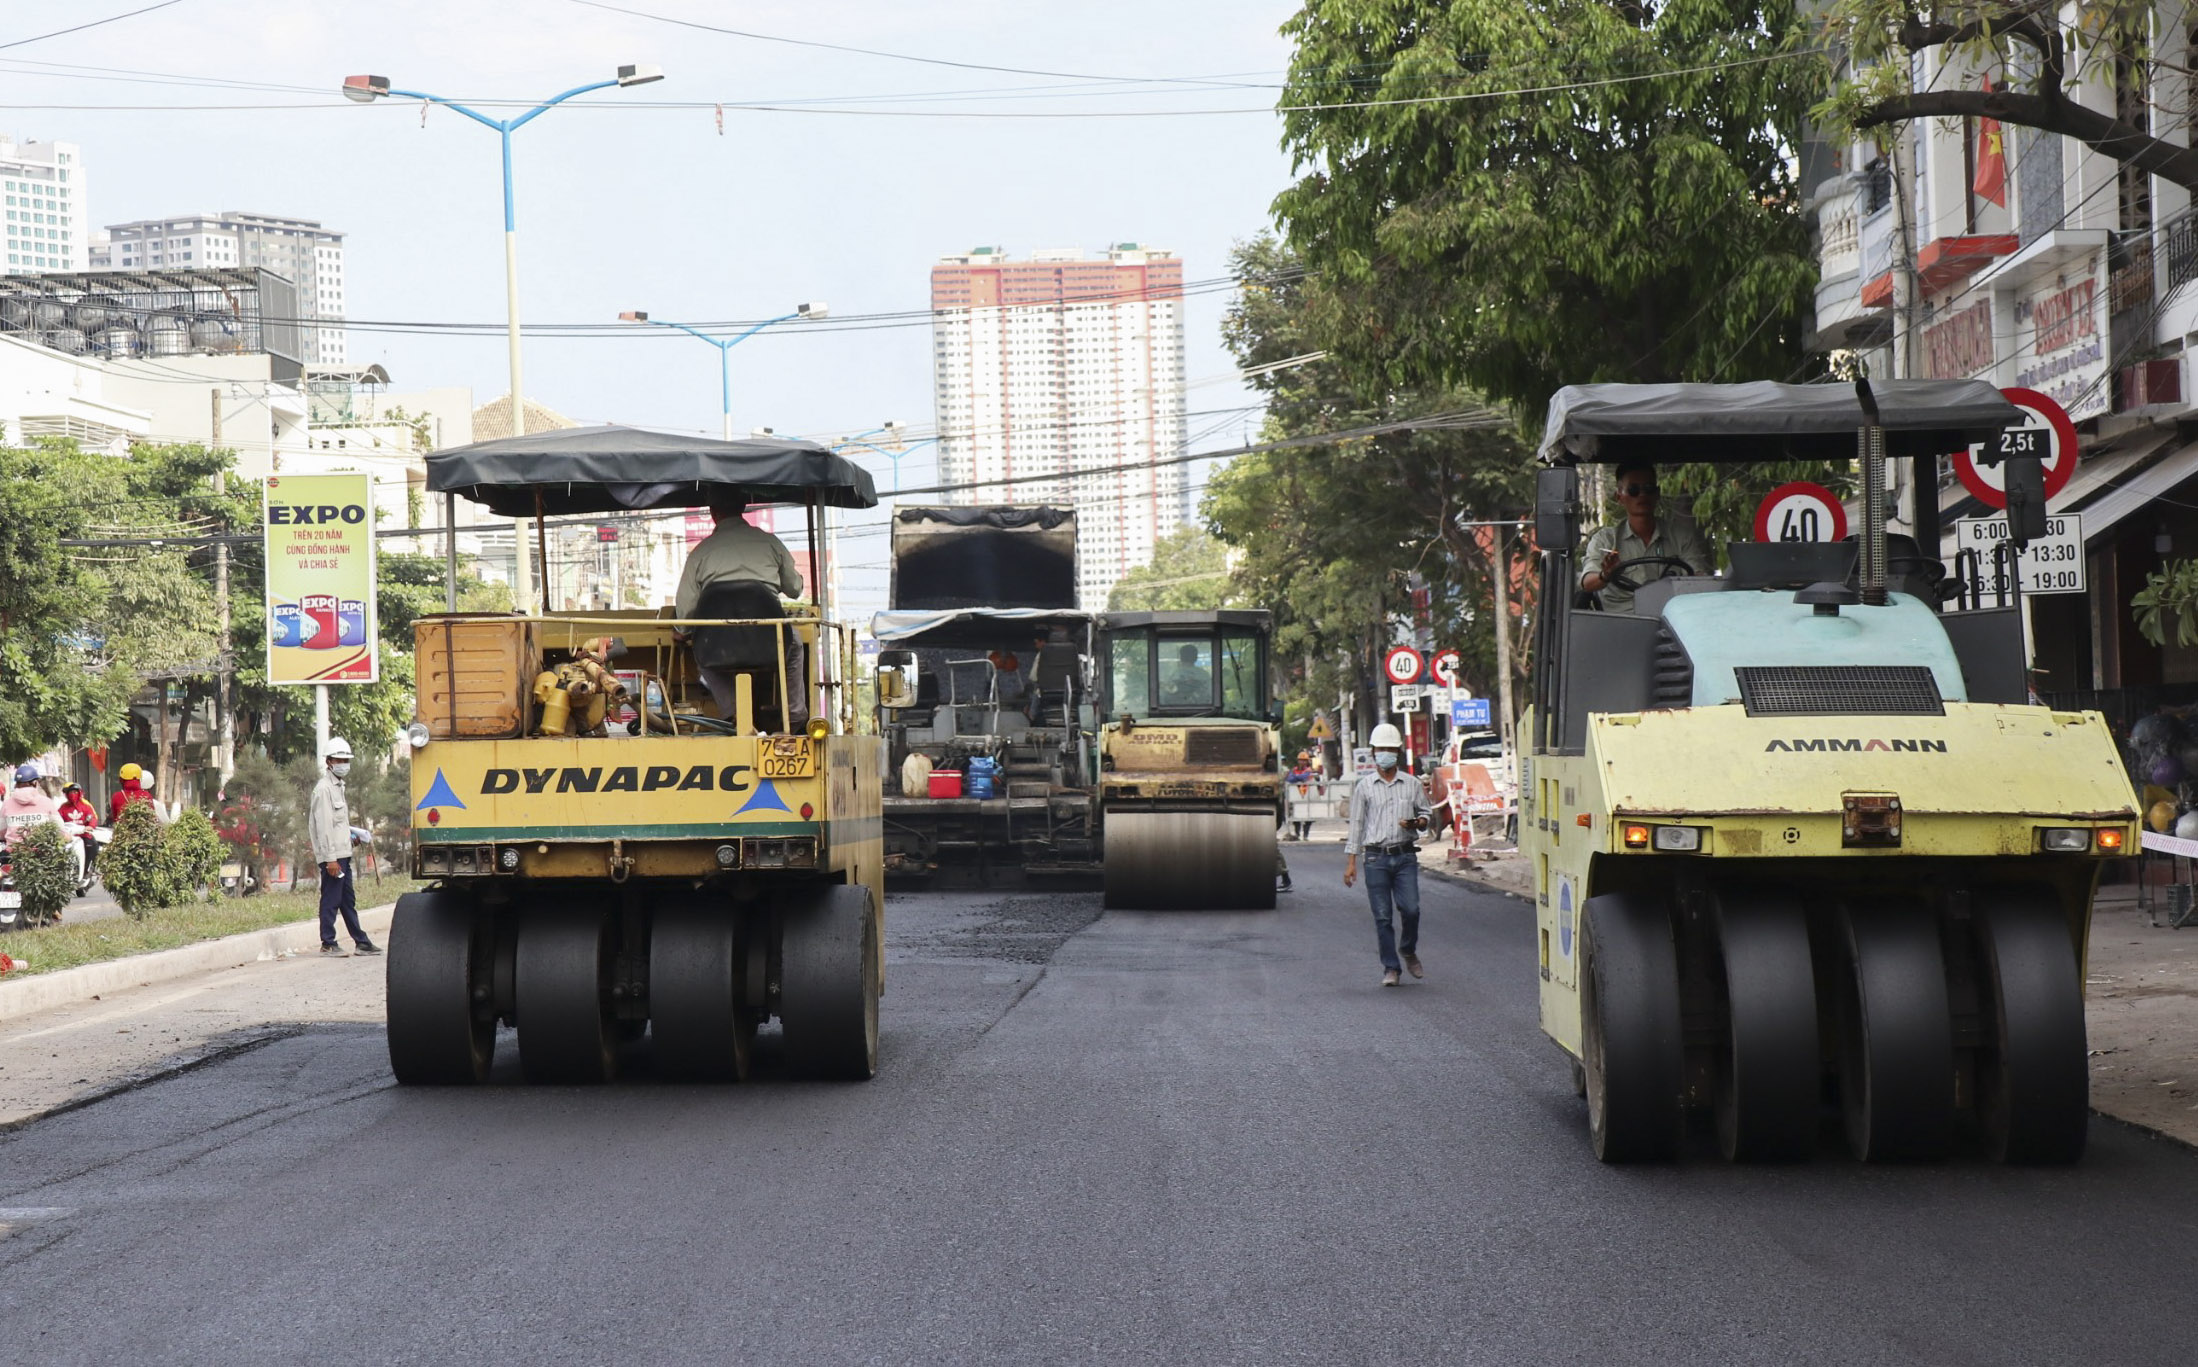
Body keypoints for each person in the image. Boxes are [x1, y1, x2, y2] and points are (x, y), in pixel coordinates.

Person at [674, 491, 807, 726]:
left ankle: (734, 713)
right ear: (743, 507)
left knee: (700, 653)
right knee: (793, 644)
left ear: (713, 514)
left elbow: (686, 610)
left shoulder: (701, 552)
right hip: (769, 641)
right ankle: (794, 715)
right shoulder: (769, 542)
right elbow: (795, 589)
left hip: (717, 644)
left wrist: (683, 630)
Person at [1343, 723, 1434, 987]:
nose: (1385, 753)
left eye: (1390, 749)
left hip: (1405, 857)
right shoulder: (1364, 787)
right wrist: (1351, 863)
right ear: (1373, 752)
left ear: (1398, 752)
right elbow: (1357, 825)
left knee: (1411, 909)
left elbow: (1426, 815)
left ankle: (1408, 948)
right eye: (1381, 749)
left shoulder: (1412, 784)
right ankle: (1391, 967)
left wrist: (1417, 823)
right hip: (1375, 859)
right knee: (1382, 916)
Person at [1577, 462, 1713, 614]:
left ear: (1657, 493)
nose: (1642, 495)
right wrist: (1606, 575)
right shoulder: (1605, 540)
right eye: (1633, 490)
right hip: (1620, 625)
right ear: (1619, 497)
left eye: (1648, 489)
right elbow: (1587, 583)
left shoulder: (1680, 536)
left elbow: (1700, 579)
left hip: (1672, 622)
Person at [309, 736, 378, 956]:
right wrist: (330, 859)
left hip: (342, 853)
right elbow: (324, 828)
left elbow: (337, 826)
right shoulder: (324, 790)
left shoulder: (338, 787)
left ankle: (361, 941)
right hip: (333, 857)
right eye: (339, 760)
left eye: (346, 760)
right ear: (329, 761)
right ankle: (328, 942)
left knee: (347, 900)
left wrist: (351, 838)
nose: (343, 764)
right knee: (331, 898)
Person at [58, 781, 99, 884]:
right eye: (70, 792)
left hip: (83, 834)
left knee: (92, 845)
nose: (73, 795)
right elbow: (57, 819)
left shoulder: (85, 805)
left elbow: (93, 817)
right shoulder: (63, 807)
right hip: (69, 836)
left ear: (80, 793)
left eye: (75, 792)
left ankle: (87, 869)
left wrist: (90, 826)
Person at [1160, 642, 1211, 707]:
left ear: (1181, 657)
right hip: (1204, 712)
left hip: (1174, 713)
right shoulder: (1204, 675)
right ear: (1196, 658)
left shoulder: (1174, 675)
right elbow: (1211, 696)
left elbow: (1164, 697)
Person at [1285, 752, 1317, 841]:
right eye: (1301, 760)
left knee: (1309, 817)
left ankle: (1306, 835)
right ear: (1298, 761)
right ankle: (1297, 834)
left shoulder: (1309, 770)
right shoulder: (1294, 769)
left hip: (1308, 796)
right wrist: (1298, 777)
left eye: (1304, 761)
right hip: (1297, 796)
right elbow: (1289, 779)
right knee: (1296, 816)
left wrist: (1296, 777)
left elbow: (1304, 777)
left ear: (1307, 762)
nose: (1302, 762)